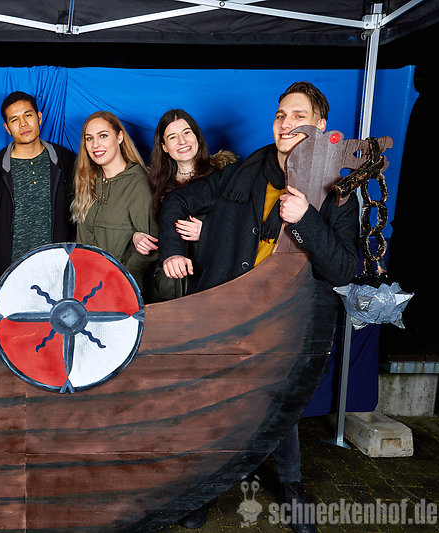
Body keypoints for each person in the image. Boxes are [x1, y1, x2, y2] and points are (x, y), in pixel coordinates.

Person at [159, 82, 359, 532]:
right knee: (215, 401)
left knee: (278, 402)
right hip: (230, 308)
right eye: (280, 115)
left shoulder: (340, 189)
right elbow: (179, 199)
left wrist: (305, 218)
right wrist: (172, 248)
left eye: (298, 116)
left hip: (290, 319)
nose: (286, 124)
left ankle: (290, 484)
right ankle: (204, 489)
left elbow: (344, 269)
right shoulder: (246, 171)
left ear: (321, 124)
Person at [0, 91, 76, 299]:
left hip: (57, 272)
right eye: (14, 120)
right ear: (7, 128)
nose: (23, 124)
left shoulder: (66, 161)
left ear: (39, 117)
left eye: (28, 115)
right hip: (12, 275)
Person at [143, 108, 236, 300]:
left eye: (186, 132)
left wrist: (208, 231)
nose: (182, 141)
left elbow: (241, 223)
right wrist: (137, 235)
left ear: (197, 138)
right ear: (164, 147)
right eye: (172, 137)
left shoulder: (224, 177)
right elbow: (146, 227)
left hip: (217, 280)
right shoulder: (154, 187)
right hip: (174, 287)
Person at [71, 110, 157, 290]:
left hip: (121, 291)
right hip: (87, 289)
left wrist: (119, 279)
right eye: (89, 138)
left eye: (103, 136)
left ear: (119, 137)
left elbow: (150, 248)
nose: (95, 144)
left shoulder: (138, 183)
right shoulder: (88, 182)